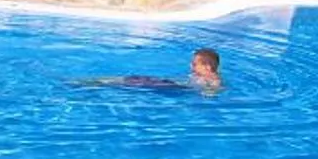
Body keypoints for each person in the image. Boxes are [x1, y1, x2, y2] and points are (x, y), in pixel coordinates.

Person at [73, 48, 223, 93]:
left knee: (133, 83)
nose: (191, 67)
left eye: (195, 64)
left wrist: (208, 92)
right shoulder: (206, 76)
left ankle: (94, 83)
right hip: (171, 84)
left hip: (174, 87)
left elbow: (214, 90)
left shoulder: (213, 79)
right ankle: (97, 82)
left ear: (207, 67)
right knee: (134, 79)